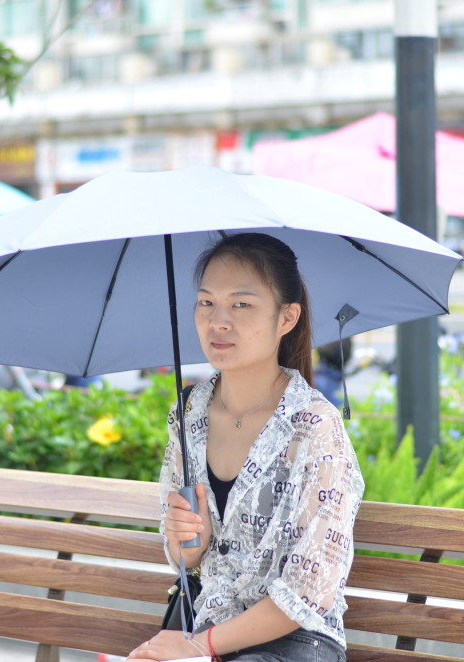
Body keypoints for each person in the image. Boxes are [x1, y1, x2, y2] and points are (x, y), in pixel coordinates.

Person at [127, 233, 364, 662]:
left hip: (291, 645)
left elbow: (308, 592)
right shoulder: (189, 412)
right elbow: (185, 558)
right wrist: (186, 539)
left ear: (287, 318)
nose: (218, 321)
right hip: (202, 630)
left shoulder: (314, 426)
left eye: (241, 304)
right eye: (206, 303)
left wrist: (200, 646)